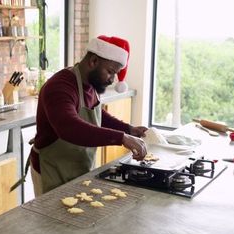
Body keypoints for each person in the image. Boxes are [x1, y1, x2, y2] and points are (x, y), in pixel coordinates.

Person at [30, 35, 148, 195]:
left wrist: (129, 129)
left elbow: (99, 115)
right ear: (93, 61)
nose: (112, 79)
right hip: (52, 170)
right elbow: (69, 127)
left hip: (78, 167)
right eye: (110, 72)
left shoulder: (91, 84)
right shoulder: (60, 87)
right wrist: (122, 138)